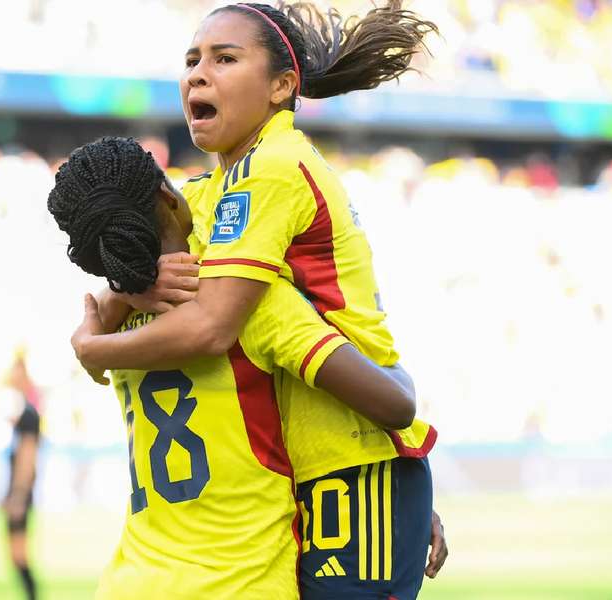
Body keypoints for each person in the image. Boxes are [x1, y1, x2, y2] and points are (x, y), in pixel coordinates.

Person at [69, 3, 444, 598]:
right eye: (191, 60)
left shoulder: (271, 167)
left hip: (356, 456)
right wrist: (131, 286)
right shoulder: (218, 186)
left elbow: (214, 326)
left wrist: (95, 348)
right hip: (314, 468)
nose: (197, 73)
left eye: (224, 58)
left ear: (282, 87)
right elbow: (144, 238)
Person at [1, 352, 42, 600]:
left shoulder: (28, 415)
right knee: (16, 556)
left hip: (20, 493)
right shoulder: (22, 414)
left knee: (19, 556)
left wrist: (17, 495)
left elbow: (27, 458)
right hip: (17, 491)